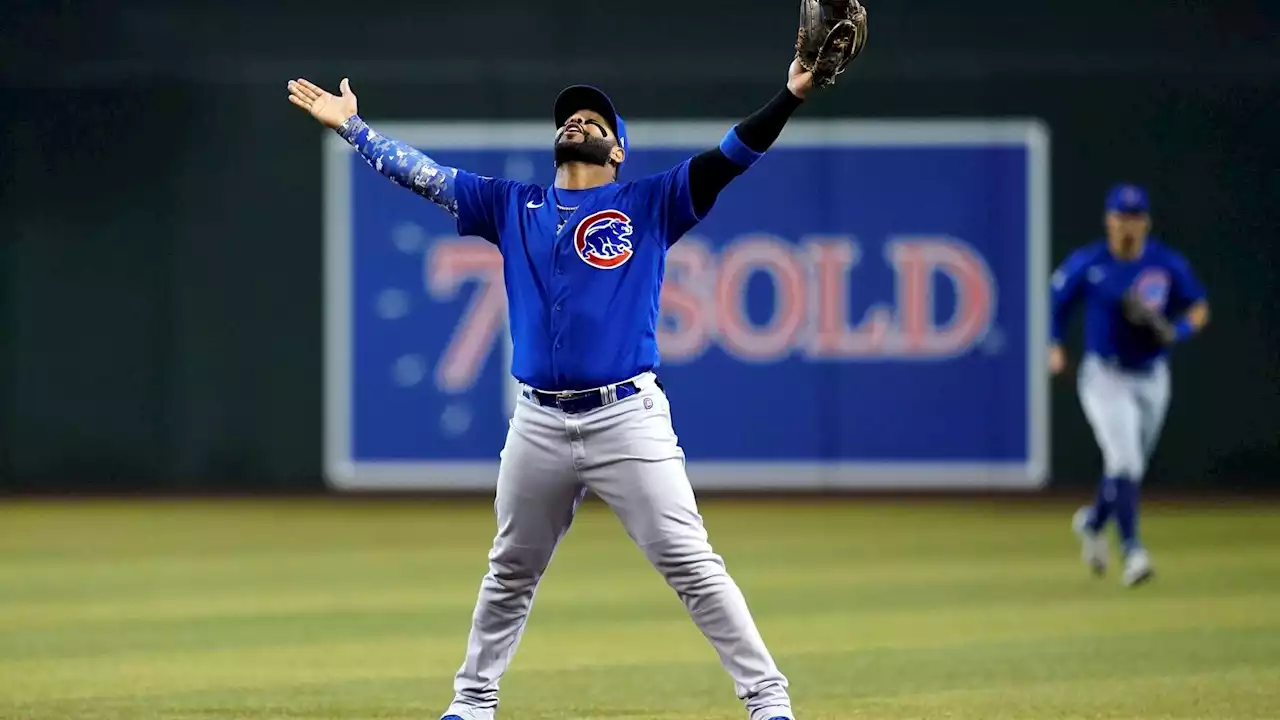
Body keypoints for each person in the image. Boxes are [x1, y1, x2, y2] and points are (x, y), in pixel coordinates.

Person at [287, 56, 822, 720]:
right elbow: (423, 175)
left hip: (626, 417)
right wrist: (354, 129)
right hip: (537, 422)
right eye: (571, 116)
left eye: (594, 119)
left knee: (692, 565)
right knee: (510, 569)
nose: (577, 120)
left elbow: (731, 156)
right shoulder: (513, 205)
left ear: (617, 150)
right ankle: (472, 704)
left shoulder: (650, 202)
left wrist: (791, 94)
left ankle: (768, 701)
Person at [1049, 183, 1210, 587]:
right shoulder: (1090, 263)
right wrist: (1054, 344)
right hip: (1105, 375)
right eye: (1121, 217)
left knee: (1128, 467)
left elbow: (1199, 307)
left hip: (1152, 375)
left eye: (1135, 218)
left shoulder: (1164, 263)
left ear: (1146, 222)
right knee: (1126, 463)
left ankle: (1093, 521)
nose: (1127, 226)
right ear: (1108, 220)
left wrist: (1179, 331)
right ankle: (1133, 551)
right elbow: (1058, 302)